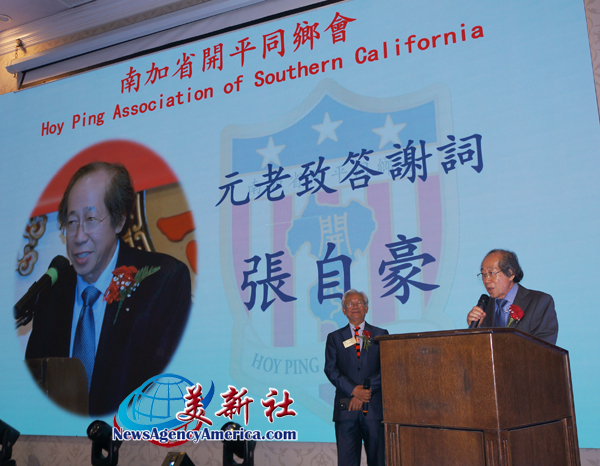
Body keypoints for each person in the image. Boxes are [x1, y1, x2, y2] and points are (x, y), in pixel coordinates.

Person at [25, 162, 192, 415]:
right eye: (72, 222)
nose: (79, 236)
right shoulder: (50, 295)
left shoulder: (161, 283)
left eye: (91, 219)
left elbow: (165, 394)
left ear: (119, 220)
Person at [324, 289, 389, 466]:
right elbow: (330, 369)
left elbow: (386, 368)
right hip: (347, 409)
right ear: (343, 310)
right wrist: (354, 390)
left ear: (366, 308)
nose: (355, 306)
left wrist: (364, 392)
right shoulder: (335, 338)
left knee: (378, 461)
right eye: (350, 304)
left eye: (359, 303)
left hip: (374, 409)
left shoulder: (380, 334)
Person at [467, 249, 558, 344]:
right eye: (483, 274)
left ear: (510, 273)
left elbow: (545, 346)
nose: (486, 280)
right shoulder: (484, 308)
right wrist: (476, 329)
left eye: (491, 273)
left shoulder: (539, 302)